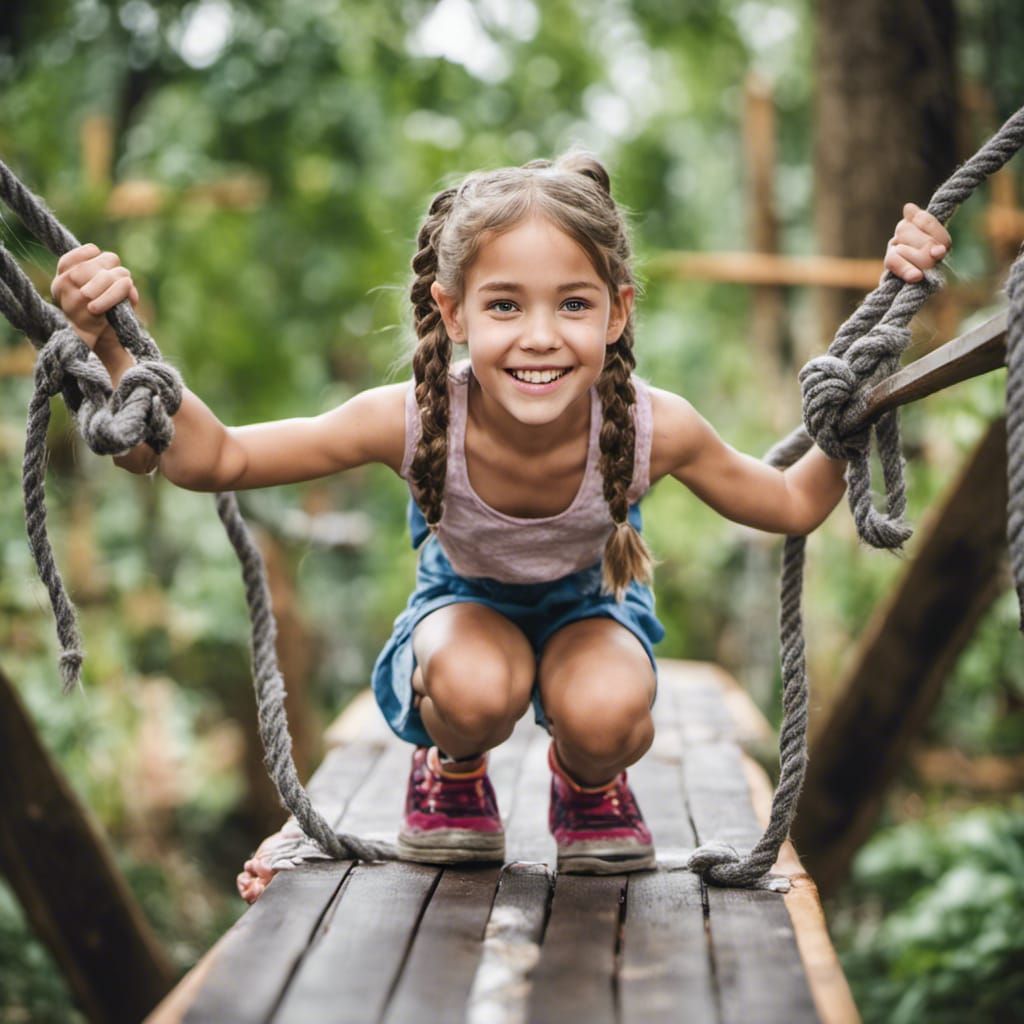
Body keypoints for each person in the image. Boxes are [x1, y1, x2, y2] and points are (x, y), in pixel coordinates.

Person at [52, 153, 951, 903]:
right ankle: (452, 769)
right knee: (480, 687)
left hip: (594, 614)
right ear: (452, 314)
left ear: (618, 310)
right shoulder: (405, 415)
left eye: (573, 303)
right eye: (504, 305)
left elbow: (790, 503)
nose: (539, 336)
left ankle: (588, 787)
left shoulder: (651, 423)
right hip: (462, 614)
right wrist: (115, 346)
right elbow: (220, 460)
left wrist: (875, 349)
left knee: (605, 707)